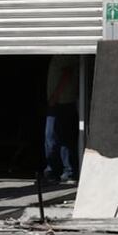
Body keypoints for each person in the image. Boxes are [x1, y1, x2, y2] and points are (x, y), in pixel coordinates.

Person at [44, 55, 80, 183]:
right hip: (59, 102)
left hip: (62, 102)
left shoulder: (64, 54)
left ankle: (64, 171)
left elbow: (67, 73)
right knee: (56, 138)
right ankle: (58, 171)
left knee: (56, 138)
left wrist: (55, 96)